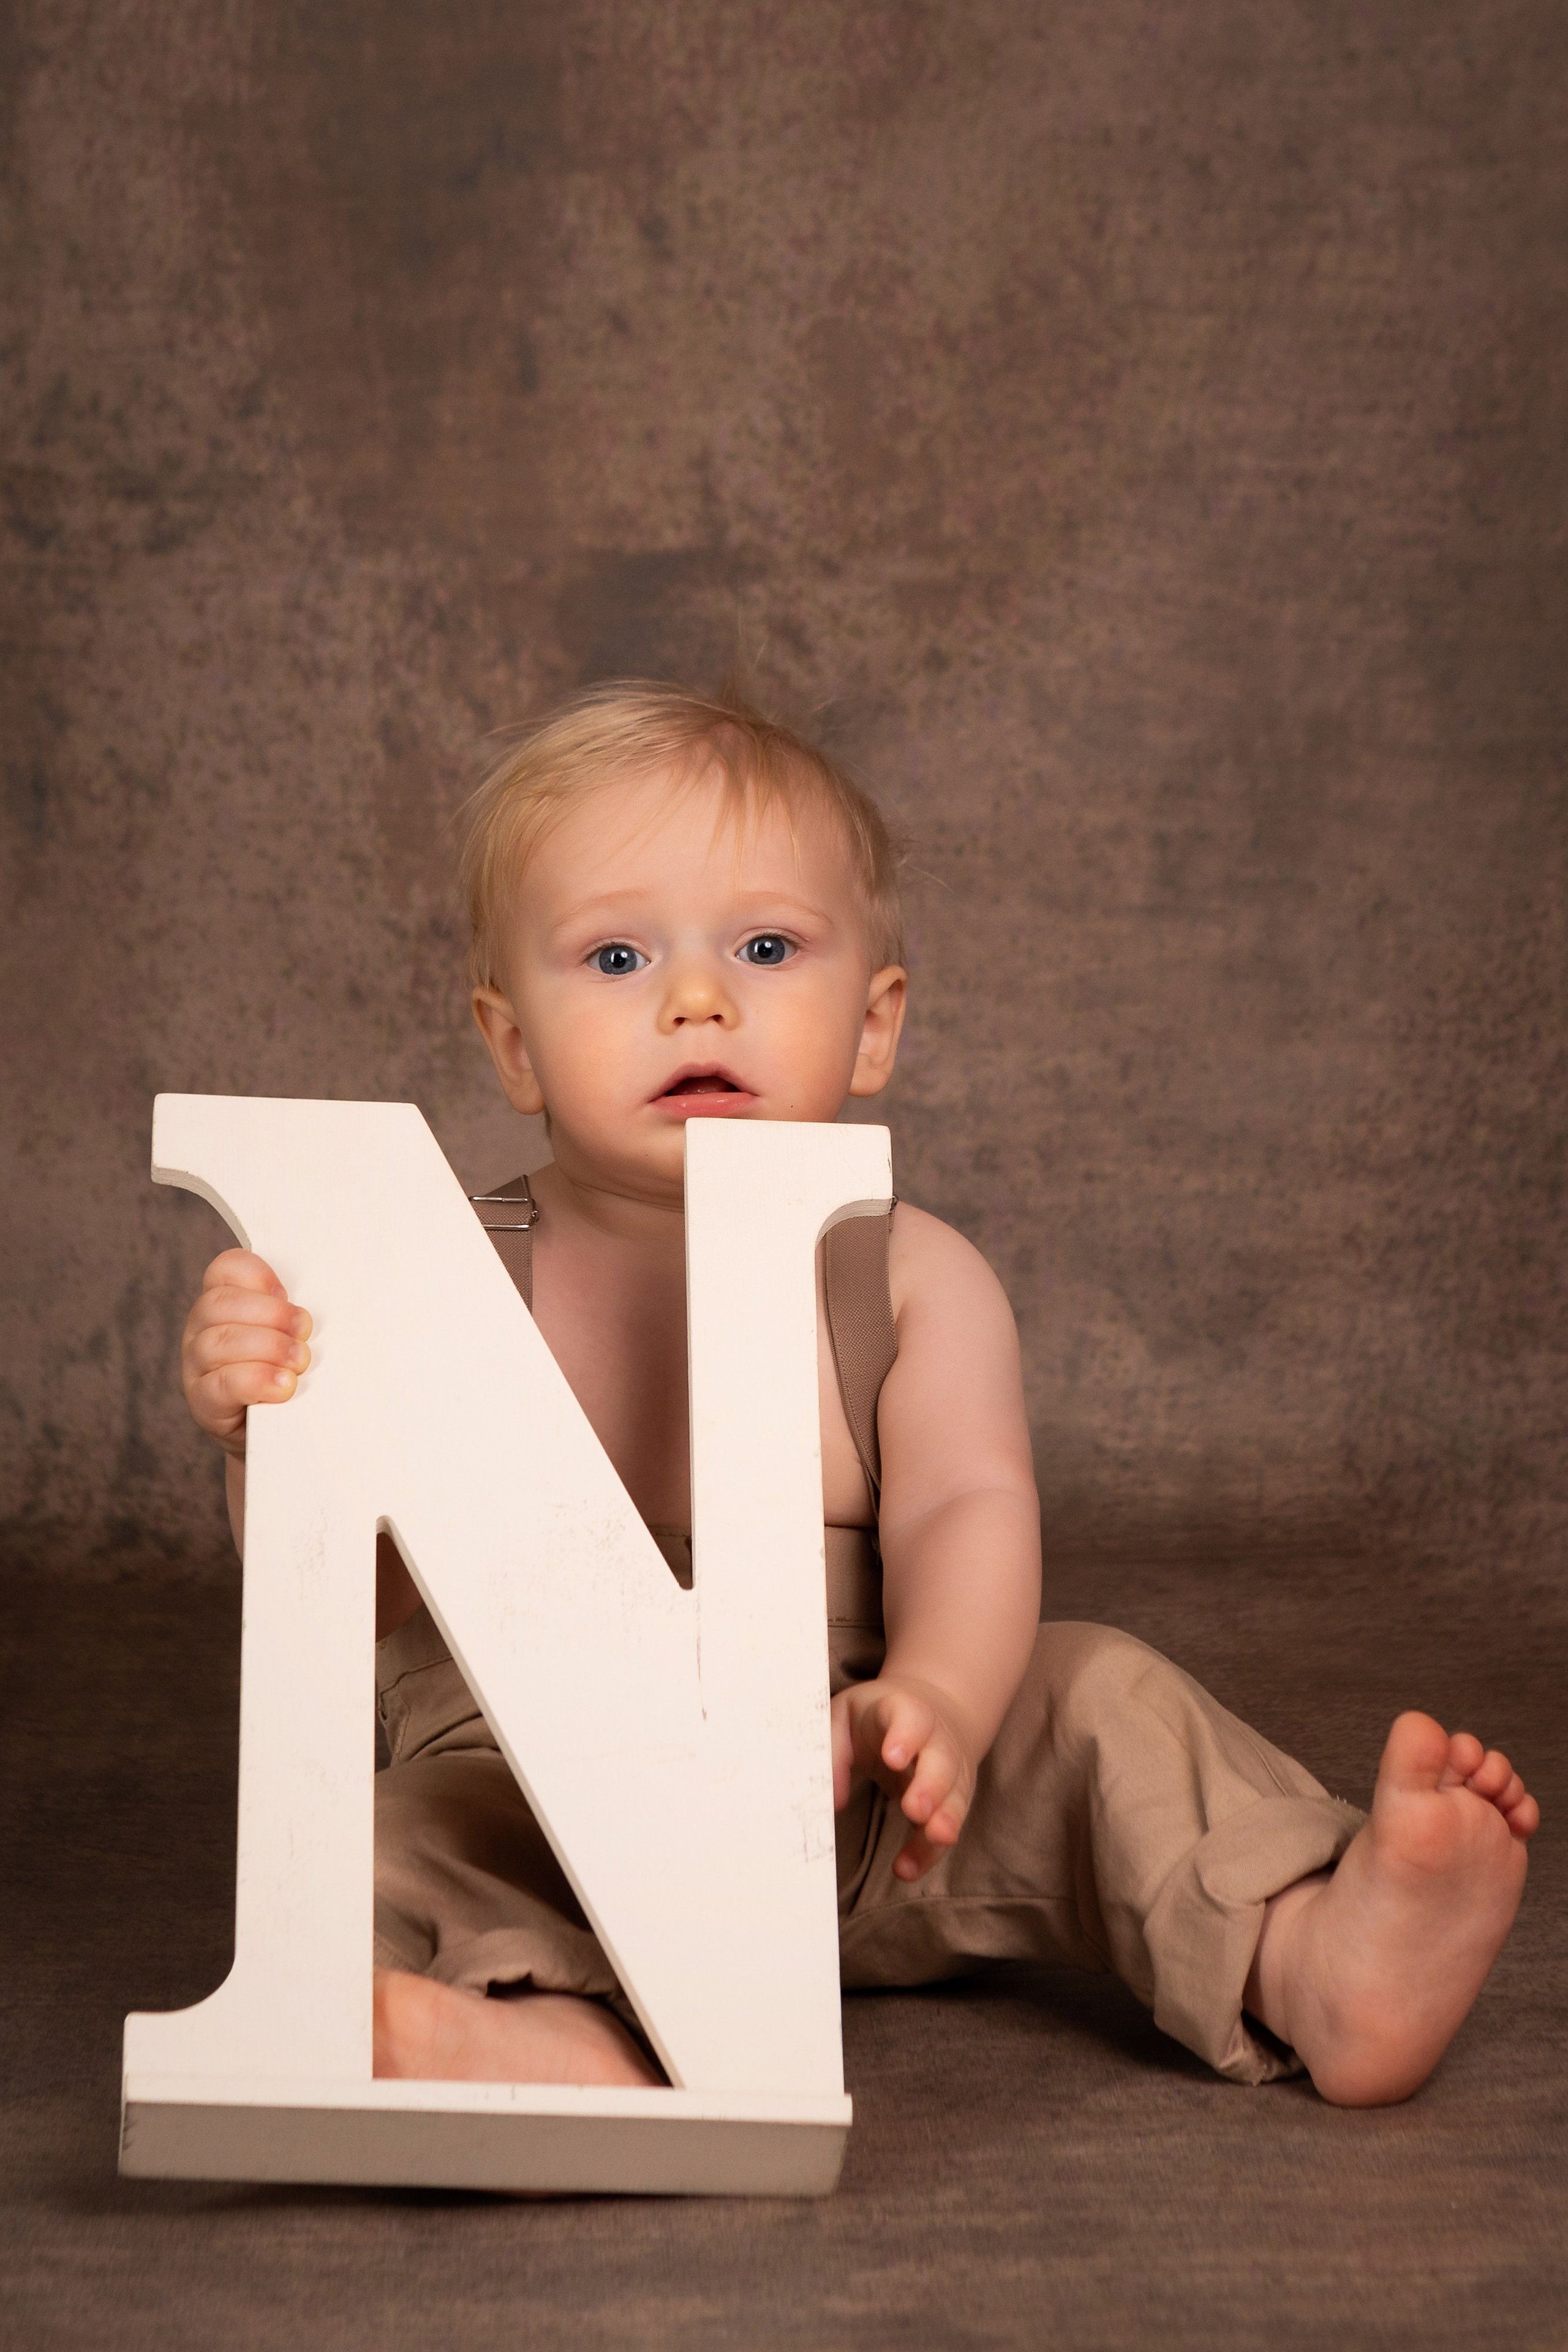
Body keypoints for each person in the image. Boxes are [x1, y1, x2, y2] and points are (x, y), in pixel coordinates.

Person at [178, 682, 1538, 2106]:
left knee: (1102, 1704)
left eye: (765, 946)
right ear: (511, 1043)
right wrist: (271, 1430)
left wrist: (939, 1695)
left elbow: (966, 1505)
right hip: (542, 1800)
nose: (696, 996)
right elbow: (361, 1590)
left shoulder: (904, 1277)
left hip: (876, 1782)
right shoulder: (447, 1270)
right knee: (373, 1847)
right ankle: (556, 2045)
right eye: (617, 953)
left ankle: (1311, 1950)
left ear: (872, 1025)